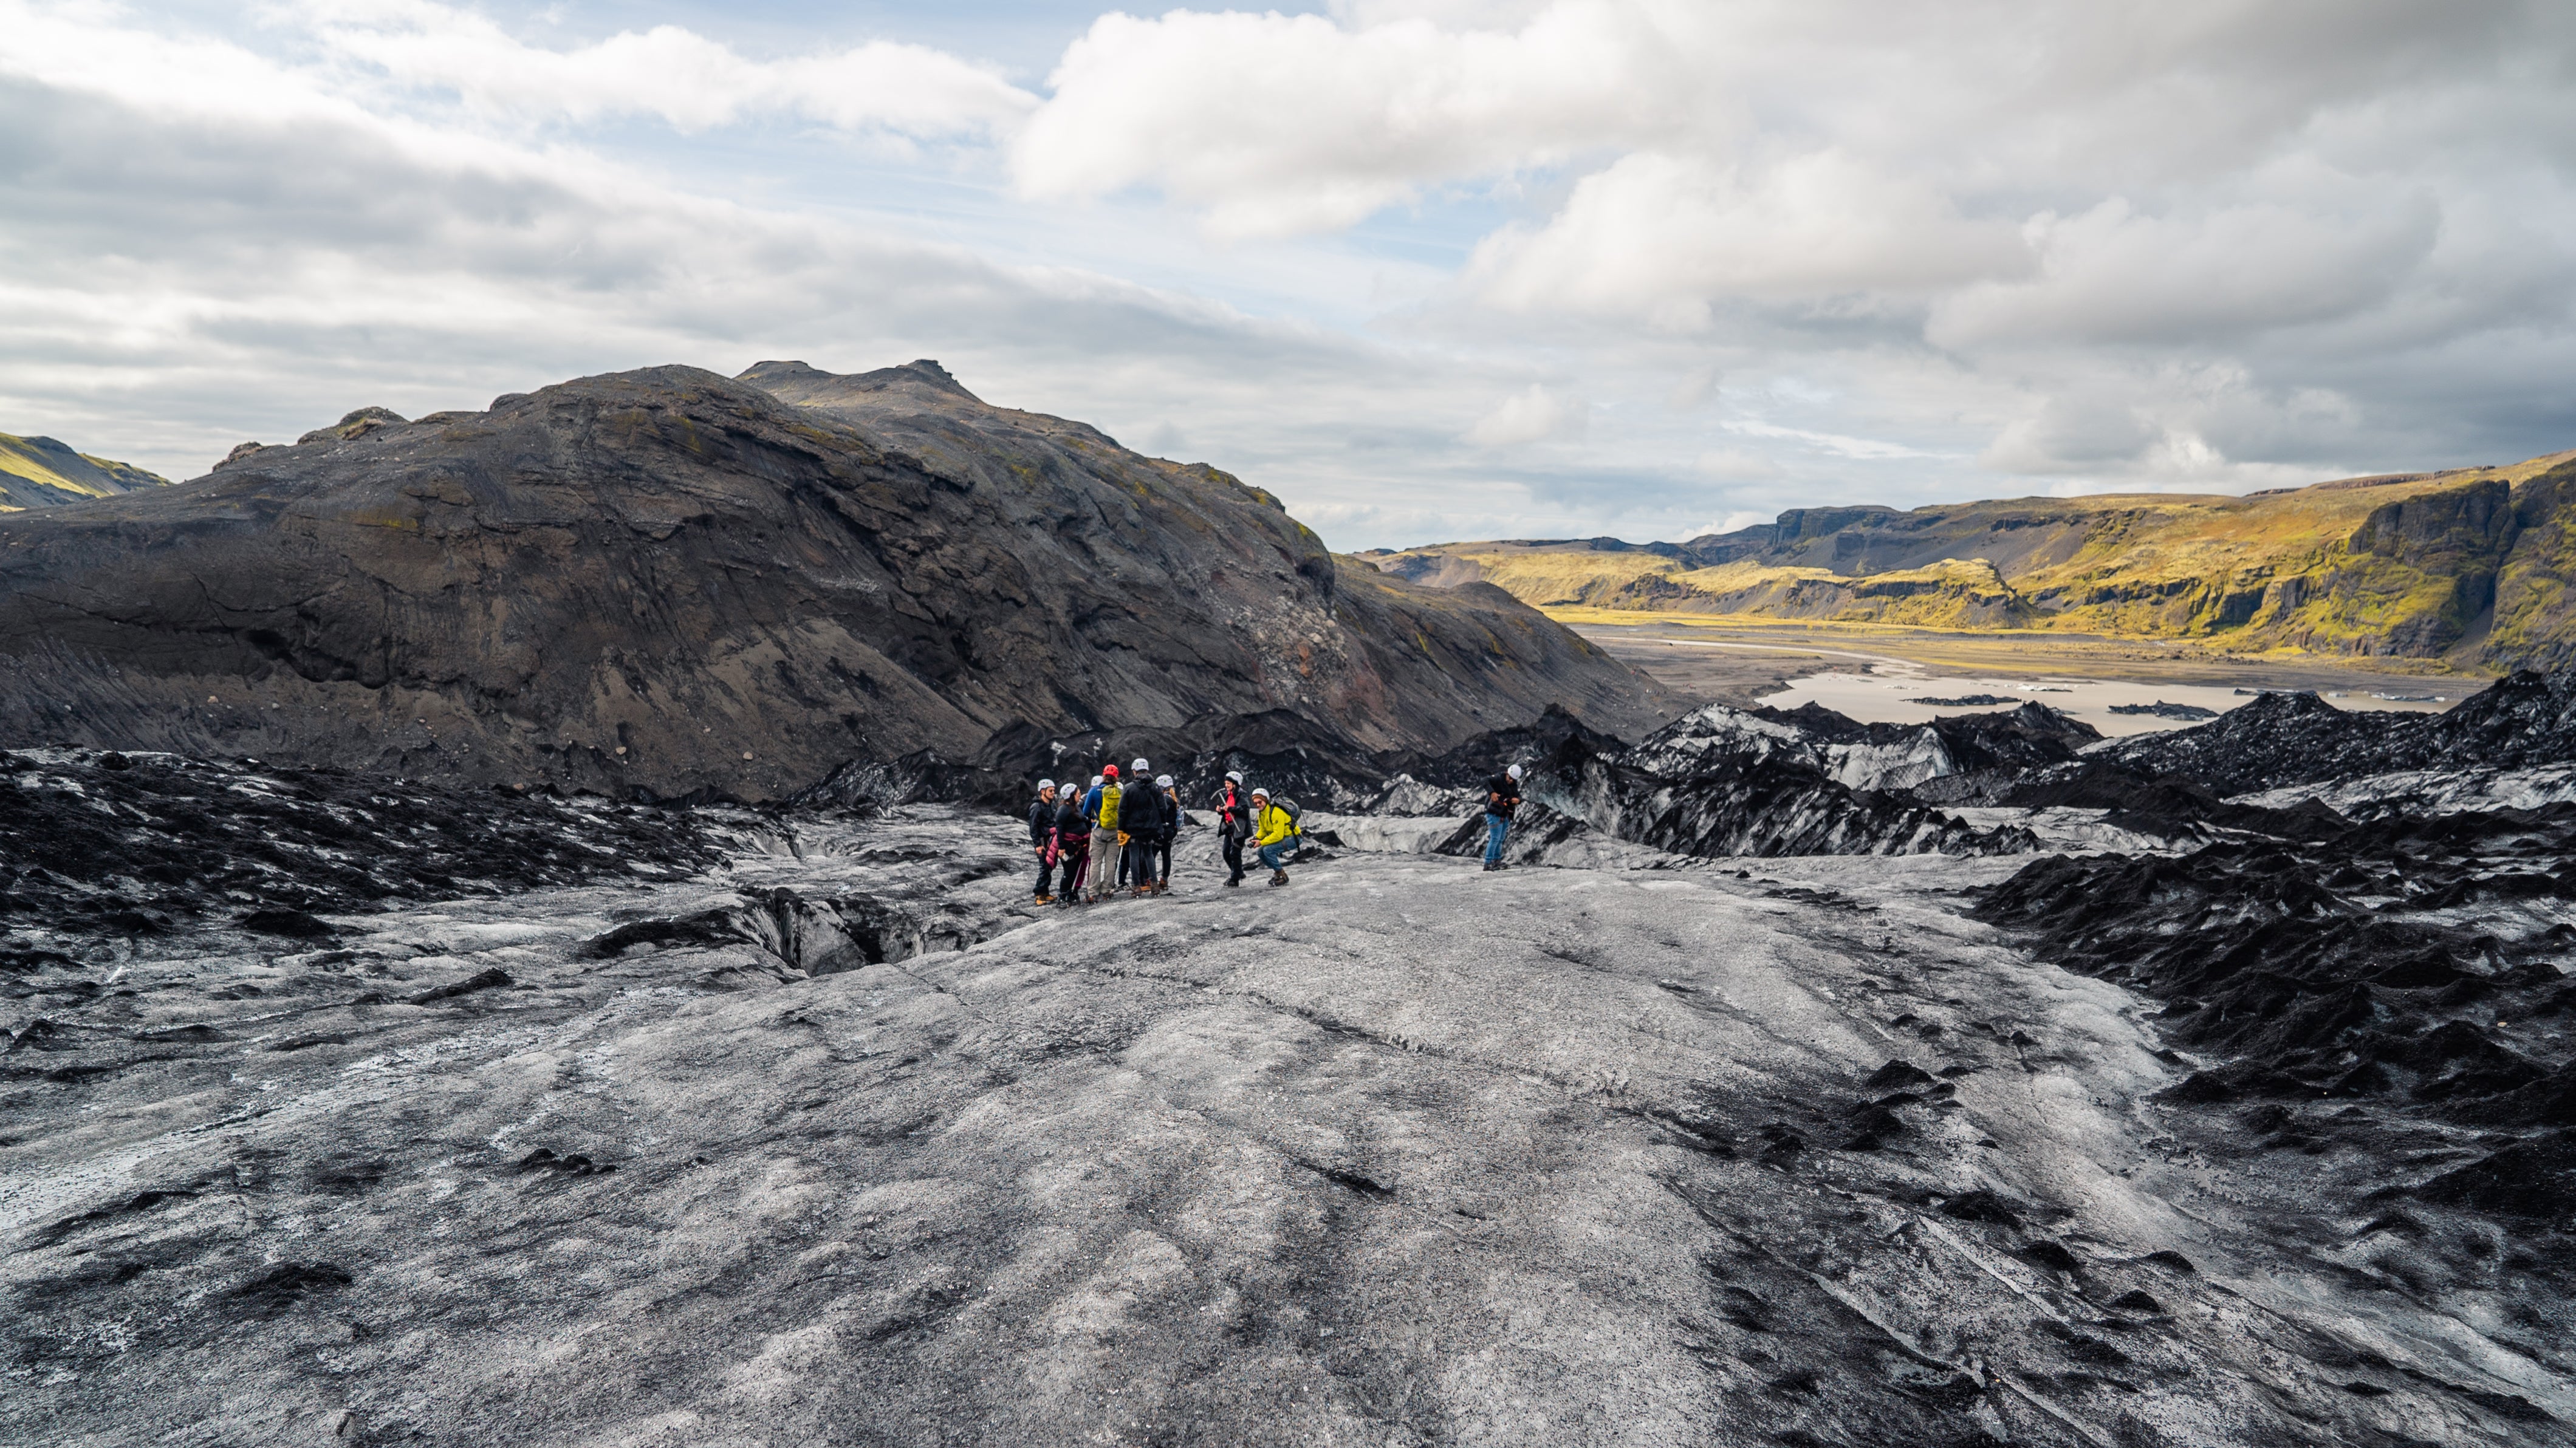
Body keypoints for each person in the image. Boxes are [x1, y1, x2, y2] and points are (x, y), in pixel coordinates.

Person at [1122, 763, 1166, 894]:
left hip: (1133, 827)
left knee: (1134, 854)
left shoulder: (1129, 788)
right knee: (1148, 853)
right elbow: (1162, 807)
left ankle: (1136, 886)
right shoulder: (1155, 787)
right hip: (1150, 828)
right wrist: (1162, 823)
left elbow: (1123, 810)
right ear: (1147, 770)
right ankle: (1154, 884)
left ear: (1135, 772)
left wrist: (1121, 828)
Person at [1208, 770, 1252, 886]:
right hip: (1229, 828)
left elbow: (1244, 811)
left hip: (1239, 828)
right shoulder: (1228, 795)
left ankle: (1234, 879)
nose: (1226, 785)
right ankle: (1238, 872)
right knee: (1226, 853)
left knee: (1235, 853)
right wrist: (1221, 811)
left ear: (1235, 784)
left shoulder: (1241, 795)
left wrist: (1231, 809)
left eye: (1228, 783)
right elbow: (1227, 811)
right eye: (1226, 783)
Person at [1088, 766, 1124, 903]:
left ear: (1104, 776)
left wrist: (1093, 818)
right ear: (1116, 777)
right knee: (1111, 861)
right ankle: (1106, 890)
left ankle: (1093, 892)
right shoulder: (1120, 791)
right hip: (1115, 830)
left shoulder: (1094, 791)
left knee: (1096, 862)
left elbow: (1086, 811)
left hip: (1099, 829)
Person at [1251, 787, 1298, 887]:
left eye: (1260, 802)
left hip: (1293, 838)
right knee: (1261, 852)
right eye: (1256, 803)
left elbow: (1278, 835)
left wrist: (1262, 842)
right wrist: (1257, 838)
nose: (1258, 805)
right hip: (1285, 837)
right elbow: (1263, 830)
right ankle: (1278, 872)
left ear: (1266, 800)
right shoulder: (1262, 814)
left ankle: (1282, 875)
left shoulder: (1276, 812)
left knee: (1268, 850)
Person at [1053, 780, 1092, 903]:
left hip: (1079, 845)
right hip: (1070, 846)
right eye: (1078, 793)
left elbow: (1083, 818)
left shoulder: (1075, 807)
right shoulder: (1063, 810)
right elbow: (1059, 830)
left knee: (1075, 870)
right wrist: (1061, 848)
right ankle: (1063, 895)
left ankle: (1070, 893)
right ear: (1071, 796)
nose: (1080, 795)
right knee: (1069, 871)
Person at [1482, 763, 1524, 872]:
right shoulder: (1498, 779)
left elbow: (1518, 795)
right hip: (1494, 812)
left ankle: (1496, 860)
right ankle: (1488, 863)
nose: (1511, 781)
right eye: (1510, 778)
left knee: (1500, 839)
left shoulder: (1513, 784)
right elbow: (1485, 781)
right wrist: (1492, 793)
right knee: (1495, 838)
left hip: (1505, 814)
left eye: (1513, 780)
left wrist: (1519, 800)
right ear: (1507, 773)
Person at [1027, 779, 1061, 903]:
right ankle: (1039, 894)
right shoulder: (1036, 807)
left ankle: (1045, 893)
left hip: (1052, 840)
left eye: (1054, 790)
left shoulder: (1051, 805)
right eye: (1051, 790)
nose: (1053, 793)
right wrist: (1038, 845)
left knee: (1049, 867)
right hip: (1043, 841)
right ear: (1043, 791)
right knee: (1045, 867)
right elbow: (1033, 827)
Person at [1153, 774, 1182, 890]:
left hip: (1162, 832)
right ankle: (1164, 880)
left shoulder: (1165, 798)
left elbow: (1161, 812)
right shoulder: (1174, 799)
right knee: (1166, 856)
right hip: (1171, 832)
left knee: (1151, 854)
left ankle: (1150, 879)